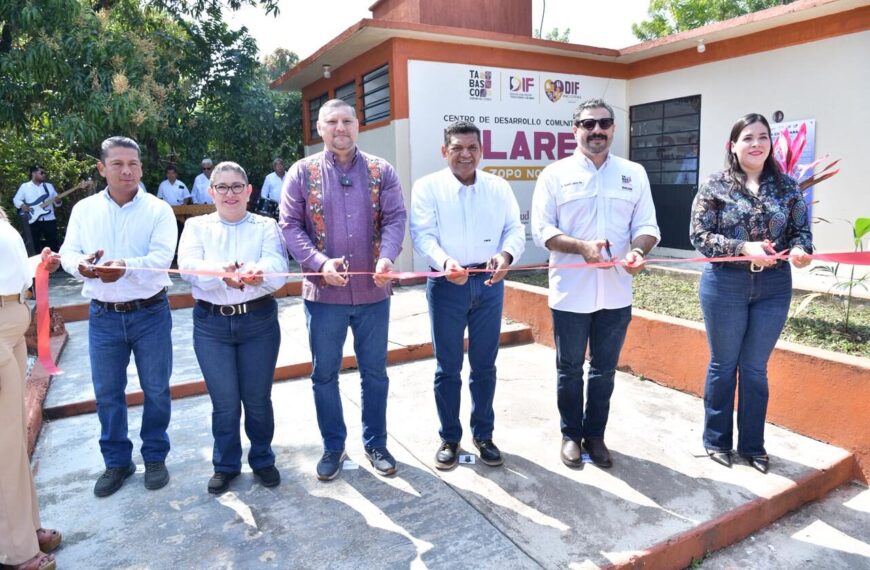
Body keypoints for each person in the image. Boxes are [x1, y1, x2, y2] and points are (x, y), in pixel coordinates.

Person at [280, 99, 407, 481]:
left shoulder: (381, 171)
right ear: (319, 129)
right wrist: (319, 263)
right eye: (331, 121)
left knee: (375, 374)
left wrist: (386, 257)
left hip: (373, 294)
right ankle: (333, 447)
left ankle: (376, 443)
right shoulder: (301, 173)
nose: (340, 128)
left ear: (358, 125)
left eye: (347, 120)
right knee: (324, 375)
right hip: (325, 299)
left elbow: (396, 217)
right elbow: (289, 225)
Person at [531, 98, 660, 469]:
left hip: (617, 292)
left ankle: (596, 435)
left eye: (604, 123)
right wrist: (582, 248)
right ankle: (571, 435)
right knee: (569, 369)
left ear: (613, 129)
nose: (597, 130)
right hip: (571, 293)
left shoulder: (634, 173)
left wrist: (637, 251)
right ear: (575, 130)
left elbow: (648, 226)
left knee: (604, 370)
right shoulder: (553, 175)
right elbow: (543, 231)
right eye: (588, 124)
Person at [690, 113, 812, 474]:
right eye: (747, 138)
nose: (755, 143)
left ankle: (753, 445)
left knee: (755, 369)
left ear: (770, 144)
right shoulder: (715, 186)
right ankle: (716, 440)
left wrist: (802, 250)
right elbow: (699, 237)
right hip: (725, 284)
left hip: (773, 287)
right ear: (733, 145)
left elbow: (800, 233)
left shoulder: (787, 187)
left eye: (762, 137)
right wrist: (744, 246)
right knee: (723, 365)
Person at [59, 136, 177, 497]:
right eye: (117, 164)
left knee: (156, 389)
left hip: (150, 313)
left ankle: (155, 456)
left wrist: (124, 266)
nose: (127, 171)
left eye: (133, 164)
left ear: (141, 167)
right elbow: (68, 253)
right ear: (102, 168)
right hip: (104, 317)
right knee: (108, 392)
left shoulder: (158, 210)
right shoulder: (84, 210)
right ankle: (117, 462)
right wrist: (83, 267)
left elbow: (161, 259)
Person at [410, 120, 525, 470]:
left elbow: (514, 229)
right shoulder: (428, 187)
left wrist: (506, 256)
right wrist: (445, 263)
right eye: (457, 148)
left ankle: (484, 434)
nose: (465, 154)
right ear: (445, 151)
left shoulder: (497, 187)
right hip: (448, 284)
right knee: (448, 367)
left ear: (481, 151)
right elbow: (423, 235)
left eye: (472, 148)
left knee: (485, 365)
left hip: (489, 284)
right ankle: (449, 437)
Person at [178, 162, 288, 494]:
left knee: (257, 398)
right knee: (224, 401)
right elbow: (187, 267)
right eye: (222, 187)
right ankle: (225, 464)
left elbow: (278, 267)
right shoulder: (197, 226)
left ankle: (262, 459)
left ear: (249, 190)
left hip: (258, 321)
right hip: (212, 324)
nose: (230, 194)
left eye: (237, 186)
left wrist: (259, 272)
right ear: (211, 191)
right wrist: (218, 273)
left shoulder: (266, 225)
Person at [1, 209, 62, 570]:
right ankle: (15, 550)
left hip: (12, 319)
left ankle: (25, 528)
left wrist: (34, 263)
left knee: (12, 441)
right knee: (4, 444)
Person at [12, 166, 61, 254]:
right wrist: (22, 205)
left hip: (49, 219)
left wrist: (58, 201)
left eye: (44, 173)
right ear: (33, 173)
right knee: (34, 244)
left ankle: (55, 265)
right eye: (41, 173)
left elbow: (57, 204)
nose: (44, 175)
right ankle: (36, 265)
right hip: (33, 220)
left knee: (53, 243)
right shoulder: (25, 186)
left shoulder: (49, 186)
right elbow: (16, 199)